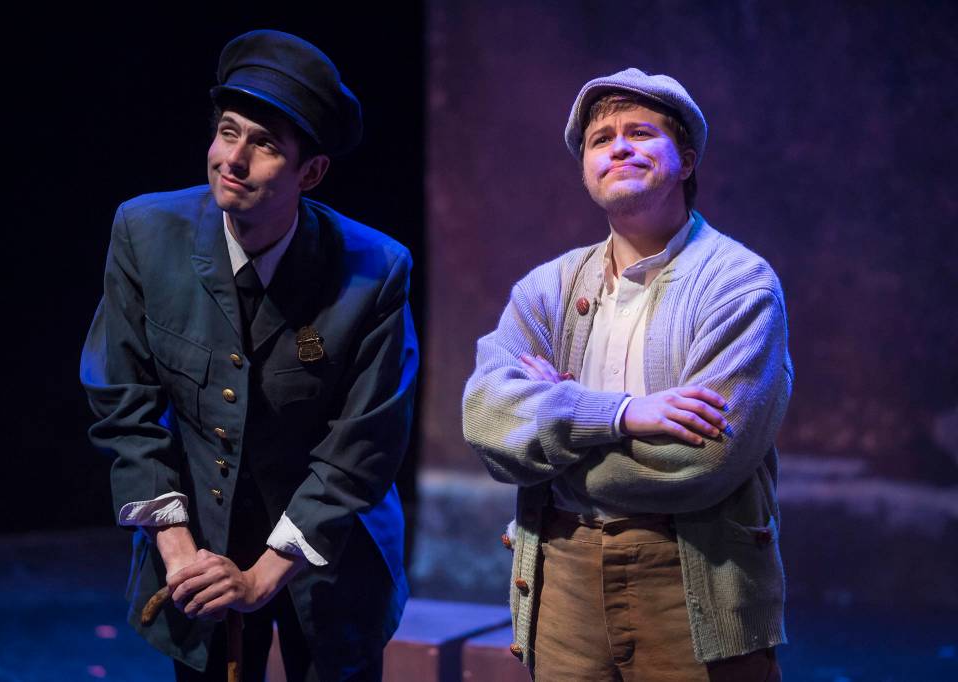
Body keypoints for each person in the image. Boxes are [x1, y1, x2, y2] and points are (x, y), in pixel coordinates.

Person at [80, 30, 418, 682]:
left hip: (329, 552)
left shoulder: (374, 273)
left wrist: (264, 576)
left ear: (310, 173)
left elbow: (362, 449)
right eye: (227, 132)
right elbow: (126, 410)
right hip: (197, 543)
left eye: (263, 144)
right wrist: (178, 553)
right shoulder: (146, 235)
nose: (232, 159)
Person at [462, 68, 792, 680]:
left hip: (689, 570)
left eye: (640, 132)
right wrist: (616, 414)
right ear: (586, 169)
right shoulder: (548, 288)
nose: (617, 146)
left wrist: (555, 424)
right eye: (600, 138)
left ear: (686, 161)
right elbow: (486, 420)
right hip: (563, 572)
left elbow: (704, 460)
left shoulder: (738, 284)